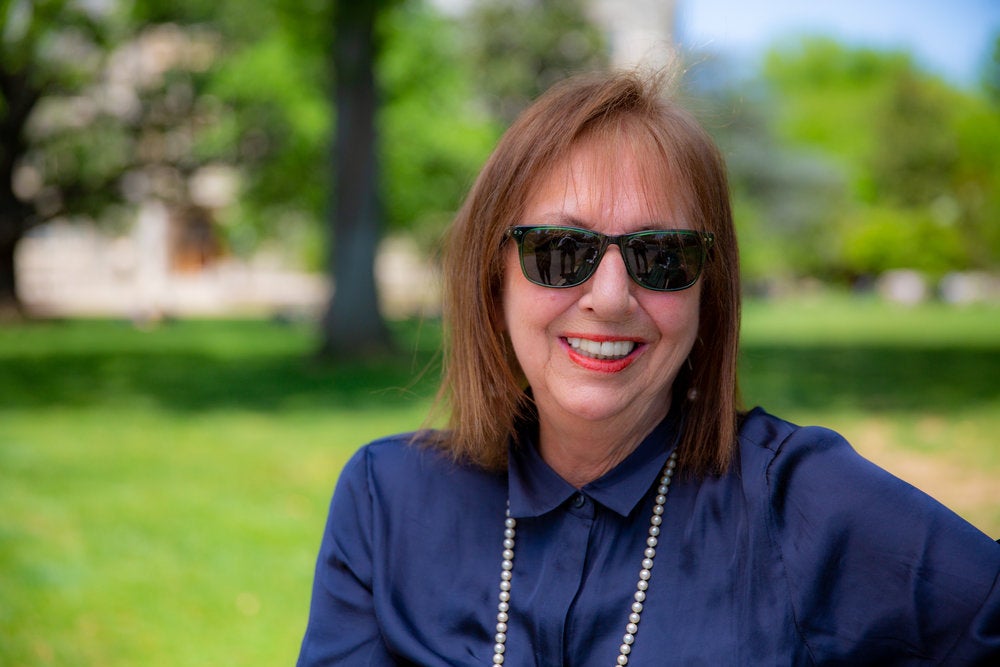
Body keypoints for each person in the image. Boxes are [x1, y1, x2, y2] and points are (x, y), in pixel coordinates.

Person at [296, 70, 1000, 666]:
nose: (609, 298)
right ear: (493, 275)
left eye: (661, 256)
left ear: (706, 293)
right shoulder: (386, 501)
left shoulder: (799, 499)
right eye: (558, 250)